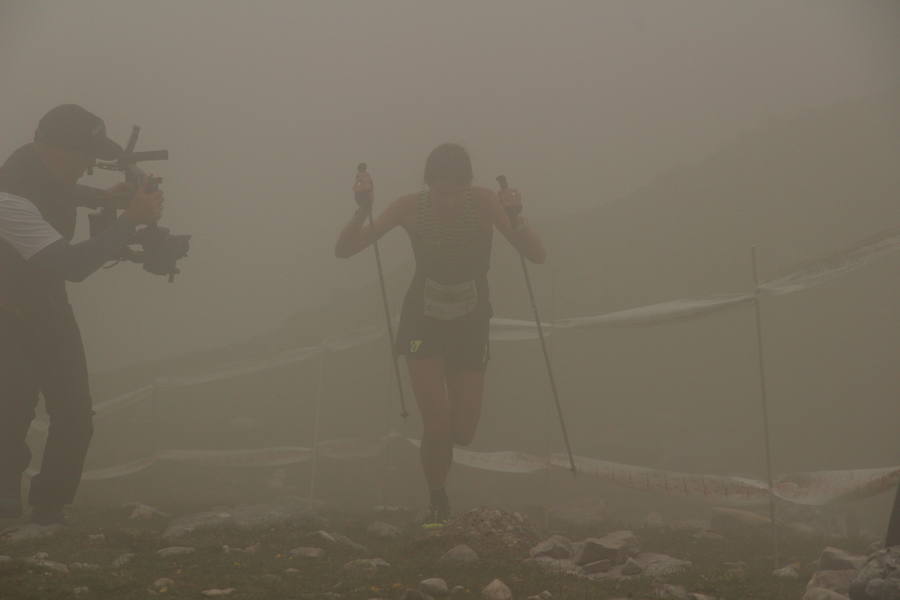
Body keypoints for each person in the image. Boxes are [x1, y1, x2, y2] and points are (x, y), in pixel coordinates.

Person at [335, 143, 546, 525]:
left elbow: (536, 255)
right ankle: (437, 499)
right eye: (441, 191)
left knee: (462, 431)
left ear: (469, 185)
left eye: (456, 191)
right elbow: (345, 250)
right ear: (428, 184)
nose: (448, 200)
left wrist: (517, 217)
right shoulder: (407, 207)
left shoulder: (483, 203)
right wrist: (361, 210)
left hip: (471, 320)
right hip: (423, 321)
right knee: (436, 423)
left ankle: (438, 473)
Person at [0, 104, 164, 525]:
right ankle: (5, 511)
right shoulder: (8, 197)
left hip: (47, 306)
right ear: (58, 150)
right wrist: (129, 221)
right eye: (86, 156)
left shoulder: (42, 174)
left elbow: (62, 192)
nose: (91, 165)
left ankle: (50, 509)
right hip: (6, 313)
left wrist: (105, 199)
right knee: (12, 408)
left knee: (74, 410)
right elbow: (71, 266)